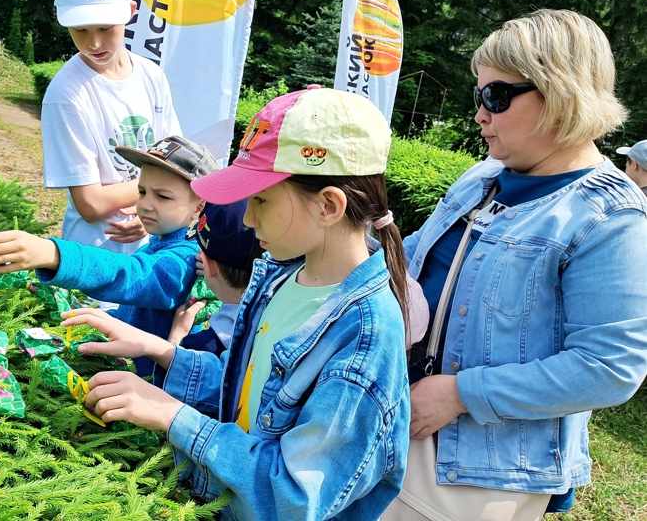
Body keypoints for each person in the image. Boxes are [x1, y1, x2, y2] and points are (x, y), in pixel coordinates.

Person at [61, 86, 411, 520]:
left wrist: (174, 417)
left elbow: (294, 498)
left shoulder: (364, 338)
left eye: (260, 200)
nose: (247, 219)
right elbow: (252, 391)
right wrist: (162, 352)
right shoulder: (281, 276)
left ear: (328, 206)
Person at [382, 9, 647, 521]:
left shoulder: (611, 216)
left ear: (561, 93)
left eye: (495, 97)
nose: (479, 114)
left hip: (477, 475)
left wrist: (460, 395)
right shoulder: (484, 174)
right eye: (478, 95)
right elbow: (413, 257)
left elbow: (610, 367)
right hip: (405, 426)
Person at [0, 135, 216, 376]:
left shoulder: (189, 259)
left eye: (162, 196)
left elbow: (134, 274)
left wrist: (54, 255)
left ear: (199, 206)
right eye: (142, 192)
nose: (145, 204)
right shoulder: (162, 241)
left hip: (147, 384)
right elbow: (132, 314)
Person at [41, 0, 183, 258]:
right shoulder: (65, 94)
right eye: (80, 30)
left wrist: (148, 217)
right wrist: (153, 195)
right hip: (95, 262)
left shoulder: (152, 76)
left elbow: (175, 165)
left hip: (152, 256)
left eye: (106, 28)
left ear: (131, 11)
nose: (94, 43)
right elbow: (91, 205)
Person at [167, 199, 262, 355]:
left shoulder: (200, 347)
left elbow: (169, 378)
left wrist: (177, 338)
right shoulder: (278, 316)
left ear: (207, 266)